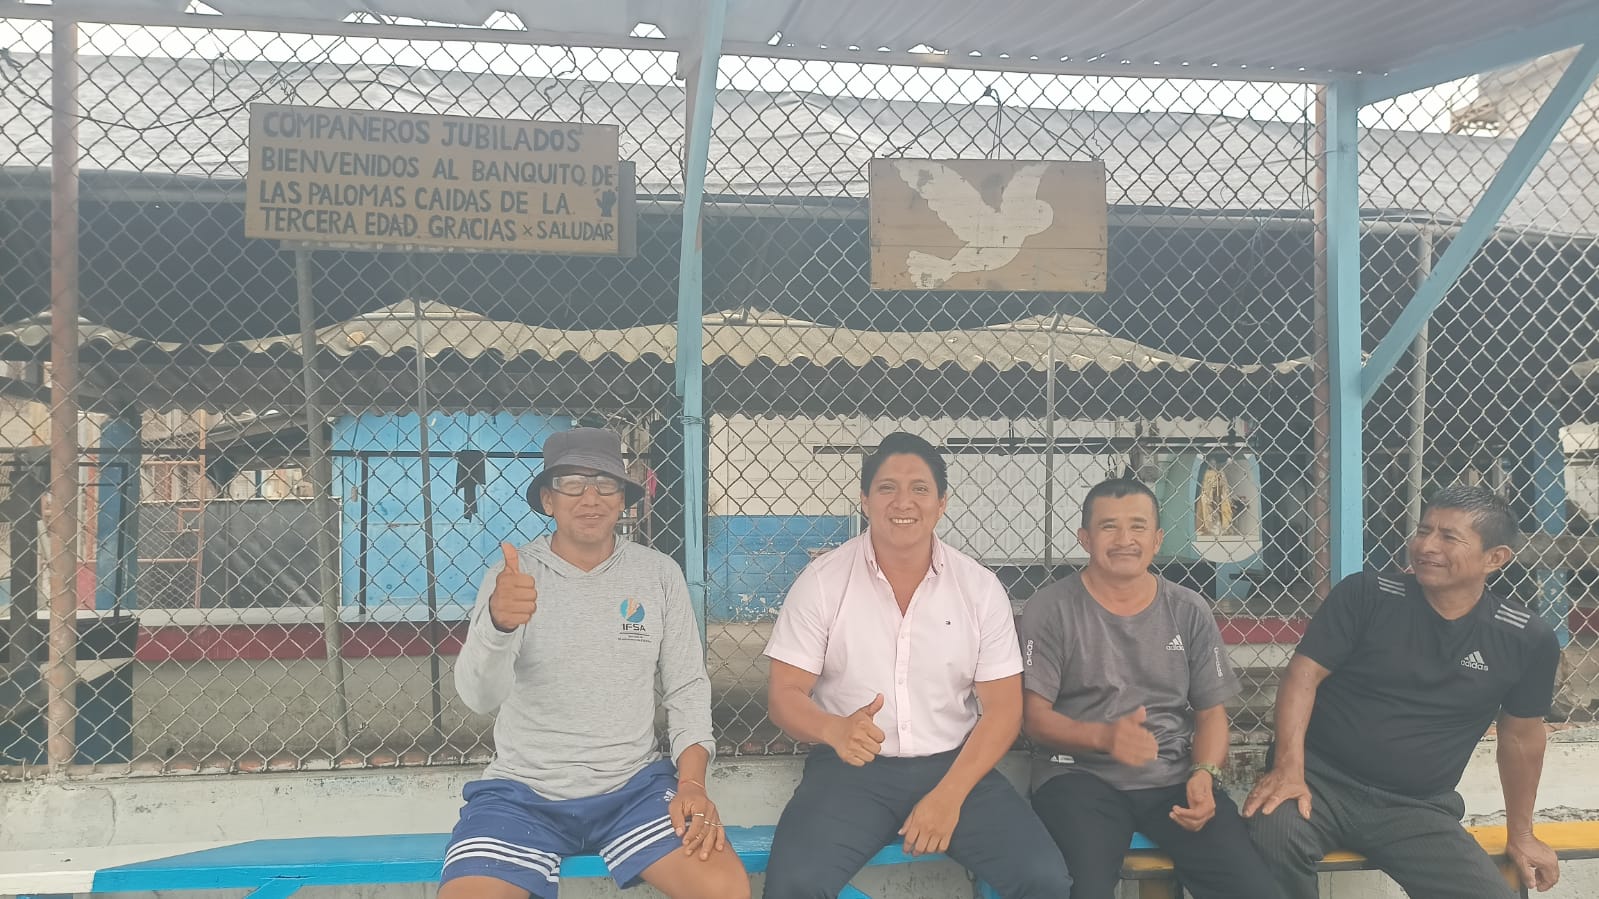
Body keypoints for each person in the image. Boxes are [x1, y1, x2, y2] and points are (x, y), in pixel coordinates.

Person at [439, 427, 749, 899]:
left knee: (724, 890)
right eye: (572, 483)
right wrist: (498, 626)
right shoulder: (511, 579)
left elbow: (686, 687)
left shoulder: (659, 574)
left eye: (605, 484)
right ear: (548, 499)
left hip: (633, 790)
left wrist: (692, 783)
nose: (590, 498)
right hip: (523, 794)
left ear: (622, 499)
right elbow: (479, 697)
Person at [760, 432, 1072, 899]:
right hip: (850, 769)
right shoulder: (822, 582)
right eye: (887, 487)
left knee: (1043, 878)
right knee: (795, 885)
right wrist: (834, 729)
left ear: (941, 504)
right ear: (865, 499)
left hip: (955, 767)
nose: (903, 502)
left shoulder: (979, 588)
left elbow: (1005, 709)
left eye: (920, 489)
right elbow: (784, 695)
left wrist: (948, 797)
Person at [1244, 484, 1562, 898]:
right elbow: (1302, 676)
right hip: (1317, 784)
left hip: (1418, 807)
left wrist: (1522, 833)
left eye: (1449, 537)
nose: (1426, 546)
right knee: (1271, 837)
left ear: (1495, 558)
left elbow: (1521, 738)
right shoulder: (1367, 595)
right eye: (1423, 530)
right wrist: (1288, 768)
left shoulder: (1525, 638)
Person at [1019, 477, 1280, 899]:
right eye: (1108, 527)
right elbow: (1034, 719)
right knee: (1083, 889)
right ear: (1084, 538)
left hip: (1172, 778)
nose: (1125, 540)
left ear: (1157, 540)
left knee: (1255, 889)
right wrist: (1105, 738)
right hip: (1078, 776)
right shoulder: (1050, 608)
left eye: (1137, 527)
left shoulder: (1188, 609)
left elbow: (1211, 714)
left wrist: (1205, 774)